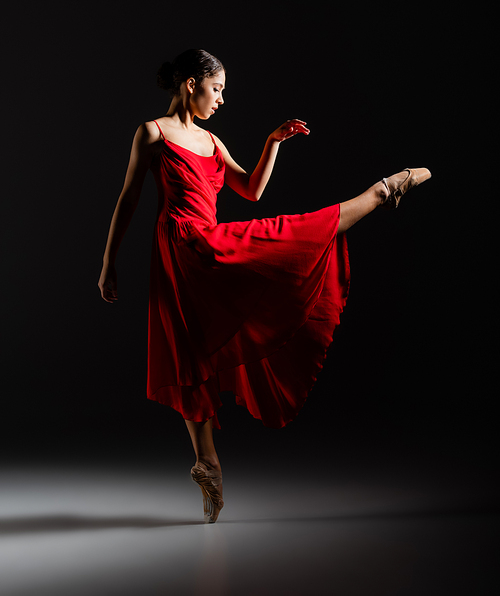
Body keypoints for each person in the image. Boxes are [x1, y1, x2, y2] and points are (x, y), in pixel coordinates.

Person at [98, 48, 430, 523]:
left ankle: (378, 194)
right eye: (216, 89)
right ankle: (208, 463)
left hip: (207, 246)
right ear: (191, 83)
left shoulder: (212, 143)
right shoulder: (152, 132)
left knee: (277, 242)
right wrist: (109, 262)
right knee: (188, 349)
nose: (221, 100)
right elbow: (127, 199)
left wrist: (272, 142)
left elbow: (251, 190)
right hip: (179, 248)